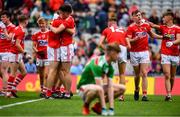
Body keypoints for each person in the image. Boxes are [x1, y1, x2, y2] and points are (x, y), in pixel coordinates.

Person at [77, 43, 126, 116]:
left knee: (122, 88)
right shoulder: (98, 63)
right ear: (112, 53)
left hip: (96, 86)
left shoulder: (110, 67)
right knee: (98, 89)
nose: (119, 56)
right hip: (83, 88)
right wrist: (104, 109)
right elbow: (99, 87)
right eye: (117, 53)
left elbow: (110, 87)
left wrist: (111, 108)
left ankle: (98, 106)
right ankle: (86, 105)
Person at [126, 10, 163, 101]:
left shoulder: (146, 25)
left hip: (144, 52)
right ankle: (136, 89)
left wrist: (162, 37)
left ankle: (144, 95)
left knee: (144, 73)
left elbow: (152, 35)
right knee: (137, 75)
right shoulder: (131, 27)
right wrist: (135, 39)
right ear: (133, 17)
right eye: (137, 15)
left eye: (140, 15)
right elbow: (128, 40)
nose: (139, 17)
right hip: (134, 52)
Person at [45, 4, 75, 99]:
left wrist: (50, 25)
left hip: (64, 47)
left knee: (63, 71)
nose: (60, 14)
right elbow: (72, 31)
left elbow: (57, 31)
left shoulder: (66, 20)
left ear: (66, 13)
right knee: (58, 70)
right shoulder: (62, 19)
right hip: (58, 47)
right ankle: (62, 91)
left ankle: (63, 92)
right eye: (59, 13)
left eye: (61, 13)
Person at [150, 11, 180, 101]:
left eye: (164, 17)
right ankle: (169, 94)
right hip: (165, 54)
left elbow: (179, 39)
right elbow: (153, 25)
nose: (163, 19)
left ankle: (169, 91)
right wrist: (145, 22)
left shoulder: (177, 28)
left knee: (172, 76)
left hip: (174, 55)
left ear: (170, 18)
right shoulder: (163, 27)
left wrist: (172, 43)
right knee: (167, 75)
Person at [99, 16, 129, 101]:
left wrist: (107, 50)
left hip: (112, 47)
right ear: (116, 23)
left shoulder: (107, 29)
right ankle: (121, 95)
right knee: (122, 73)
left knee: (105, 72)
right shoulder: (123, 30)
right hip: (122, 48)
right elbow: (129, 45)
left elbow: (100, 43)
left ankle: (107, 93)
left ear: (109, 23)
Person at [6, 15, 28, 98]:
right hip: (15, 53)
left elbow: (12, 39)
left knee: (24, 72)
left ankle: (13, 87)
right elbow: (17, 44)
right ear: (25, 21)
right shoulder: (21, 31)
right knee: (13, 73)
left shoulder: (16, 28)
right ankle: (8, 92)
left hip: (17, 54)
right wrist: (24, 53)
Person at [32, 17, 49, 97]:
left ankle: (45, 91)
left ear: (46, 23)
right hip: (39, 56)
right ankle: (42, 89)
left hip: (48, 57)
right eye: (40, 24)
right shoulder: (36, 34)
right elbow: (34, 46)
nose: (42, 25)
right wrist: (36, 50)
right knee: (41, 75)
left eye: (43, 23)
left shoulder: (50, 33)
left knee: (46, 75)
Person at [0, 11, 15, 96]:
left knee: (4, 70)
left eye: (4, 17)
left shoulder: (12, 27)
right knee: (1, 71)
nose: (2, 19)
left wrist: (4, 29)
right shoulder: (1, 26)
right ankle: (9, 87)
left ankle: (5, 90)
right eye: (1, 17)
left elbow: (9, 38)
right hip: (0, 49)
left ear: (8, 18)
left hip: (6, 51)